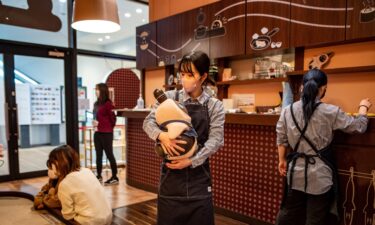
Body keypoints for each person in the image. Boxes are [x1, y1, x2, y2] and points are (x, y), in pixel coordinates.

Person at [275, 69, 372, 225]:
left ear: (302, 87)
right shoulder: (331, 111)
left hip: (294, 173)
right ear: (323, 89)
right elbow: (359, 127)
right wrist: (363, 107)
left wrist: (282, 160)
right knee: (315, 219)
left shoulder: (287, 111)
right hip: (319, 175)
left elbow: (281, 137)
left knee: (288, 214)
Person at [143, 51, 225, 225]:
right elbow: (148, 122)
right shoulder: (170, 98)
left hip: (199, 179)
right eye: (182, 74)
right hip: (170, 179)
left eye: (190, 74)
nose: (184, 79)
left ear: (203, 77)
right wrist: (162, 135)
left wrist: (192, 160)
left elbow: (216, 140)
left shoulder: (214, 105)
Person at [48, 145, 112, 225]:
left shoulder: (64, 184)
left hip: (91, 222)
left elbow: (68, 216)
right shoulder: (87, 171)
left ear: (57, 165)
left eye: (51, 165)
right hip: (108, 217)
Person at [93, 83, 118, 185]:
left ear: (102, 90)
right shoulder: (96, 104)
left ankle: (114, 177)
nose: (96, 91)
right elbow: (95, 116)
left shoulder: (108, 104)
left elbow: (113, 119)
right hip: (97, 132)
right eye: (95, 89)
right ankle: (98, 175)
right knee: (98, 155)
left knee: (109, 155)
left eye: (97, 89)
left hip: (106, 133)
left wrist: (108, 127)